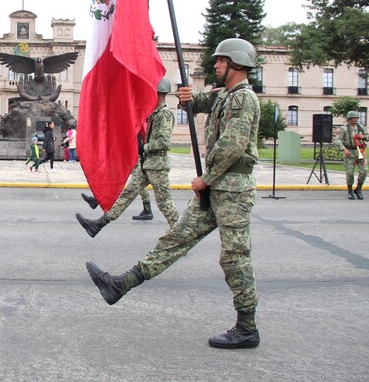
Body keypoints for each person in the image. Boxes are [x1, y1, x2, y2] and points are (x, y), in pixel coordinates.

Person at [85, 38, 262, 350]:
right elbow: (202, 103)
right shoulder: (226, 96)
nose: (216, 66)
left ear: (236, 63)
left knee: (234, 258)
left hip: (232, 192)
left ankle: (247, 326)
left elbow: (232, 145)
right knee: (175, 239)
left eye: (221, 61)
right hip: (217, 190)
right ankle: (120, 285)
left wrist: (205, 179)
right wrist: (187, 98)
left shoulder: (244, 99)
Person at [76, 78, 179, 234]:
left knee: (165, 204)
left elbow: (164, 142)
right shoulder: (154, 113)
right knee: (127, 194)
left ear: (157, 93)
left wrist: (143, 147)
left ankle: (181, 236)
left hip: (157, 166)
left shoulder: (164, 114)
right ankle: (98, 224)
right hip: (147, 164)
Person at [334, 110, 369, 200]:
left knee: (364, 171)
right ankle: (350, 191)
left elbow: (368, 136)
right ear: (349, 119)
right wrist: (344, 149)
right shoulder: (344, 129)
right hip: (349, 151)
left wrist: (364, 137)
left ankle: (358, 189)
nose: (356, 119)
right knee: (350, 173)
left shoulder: (361, 127)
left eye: (357, 117)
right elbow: (337, 140)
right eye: (354, 118)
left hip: (360, 151)